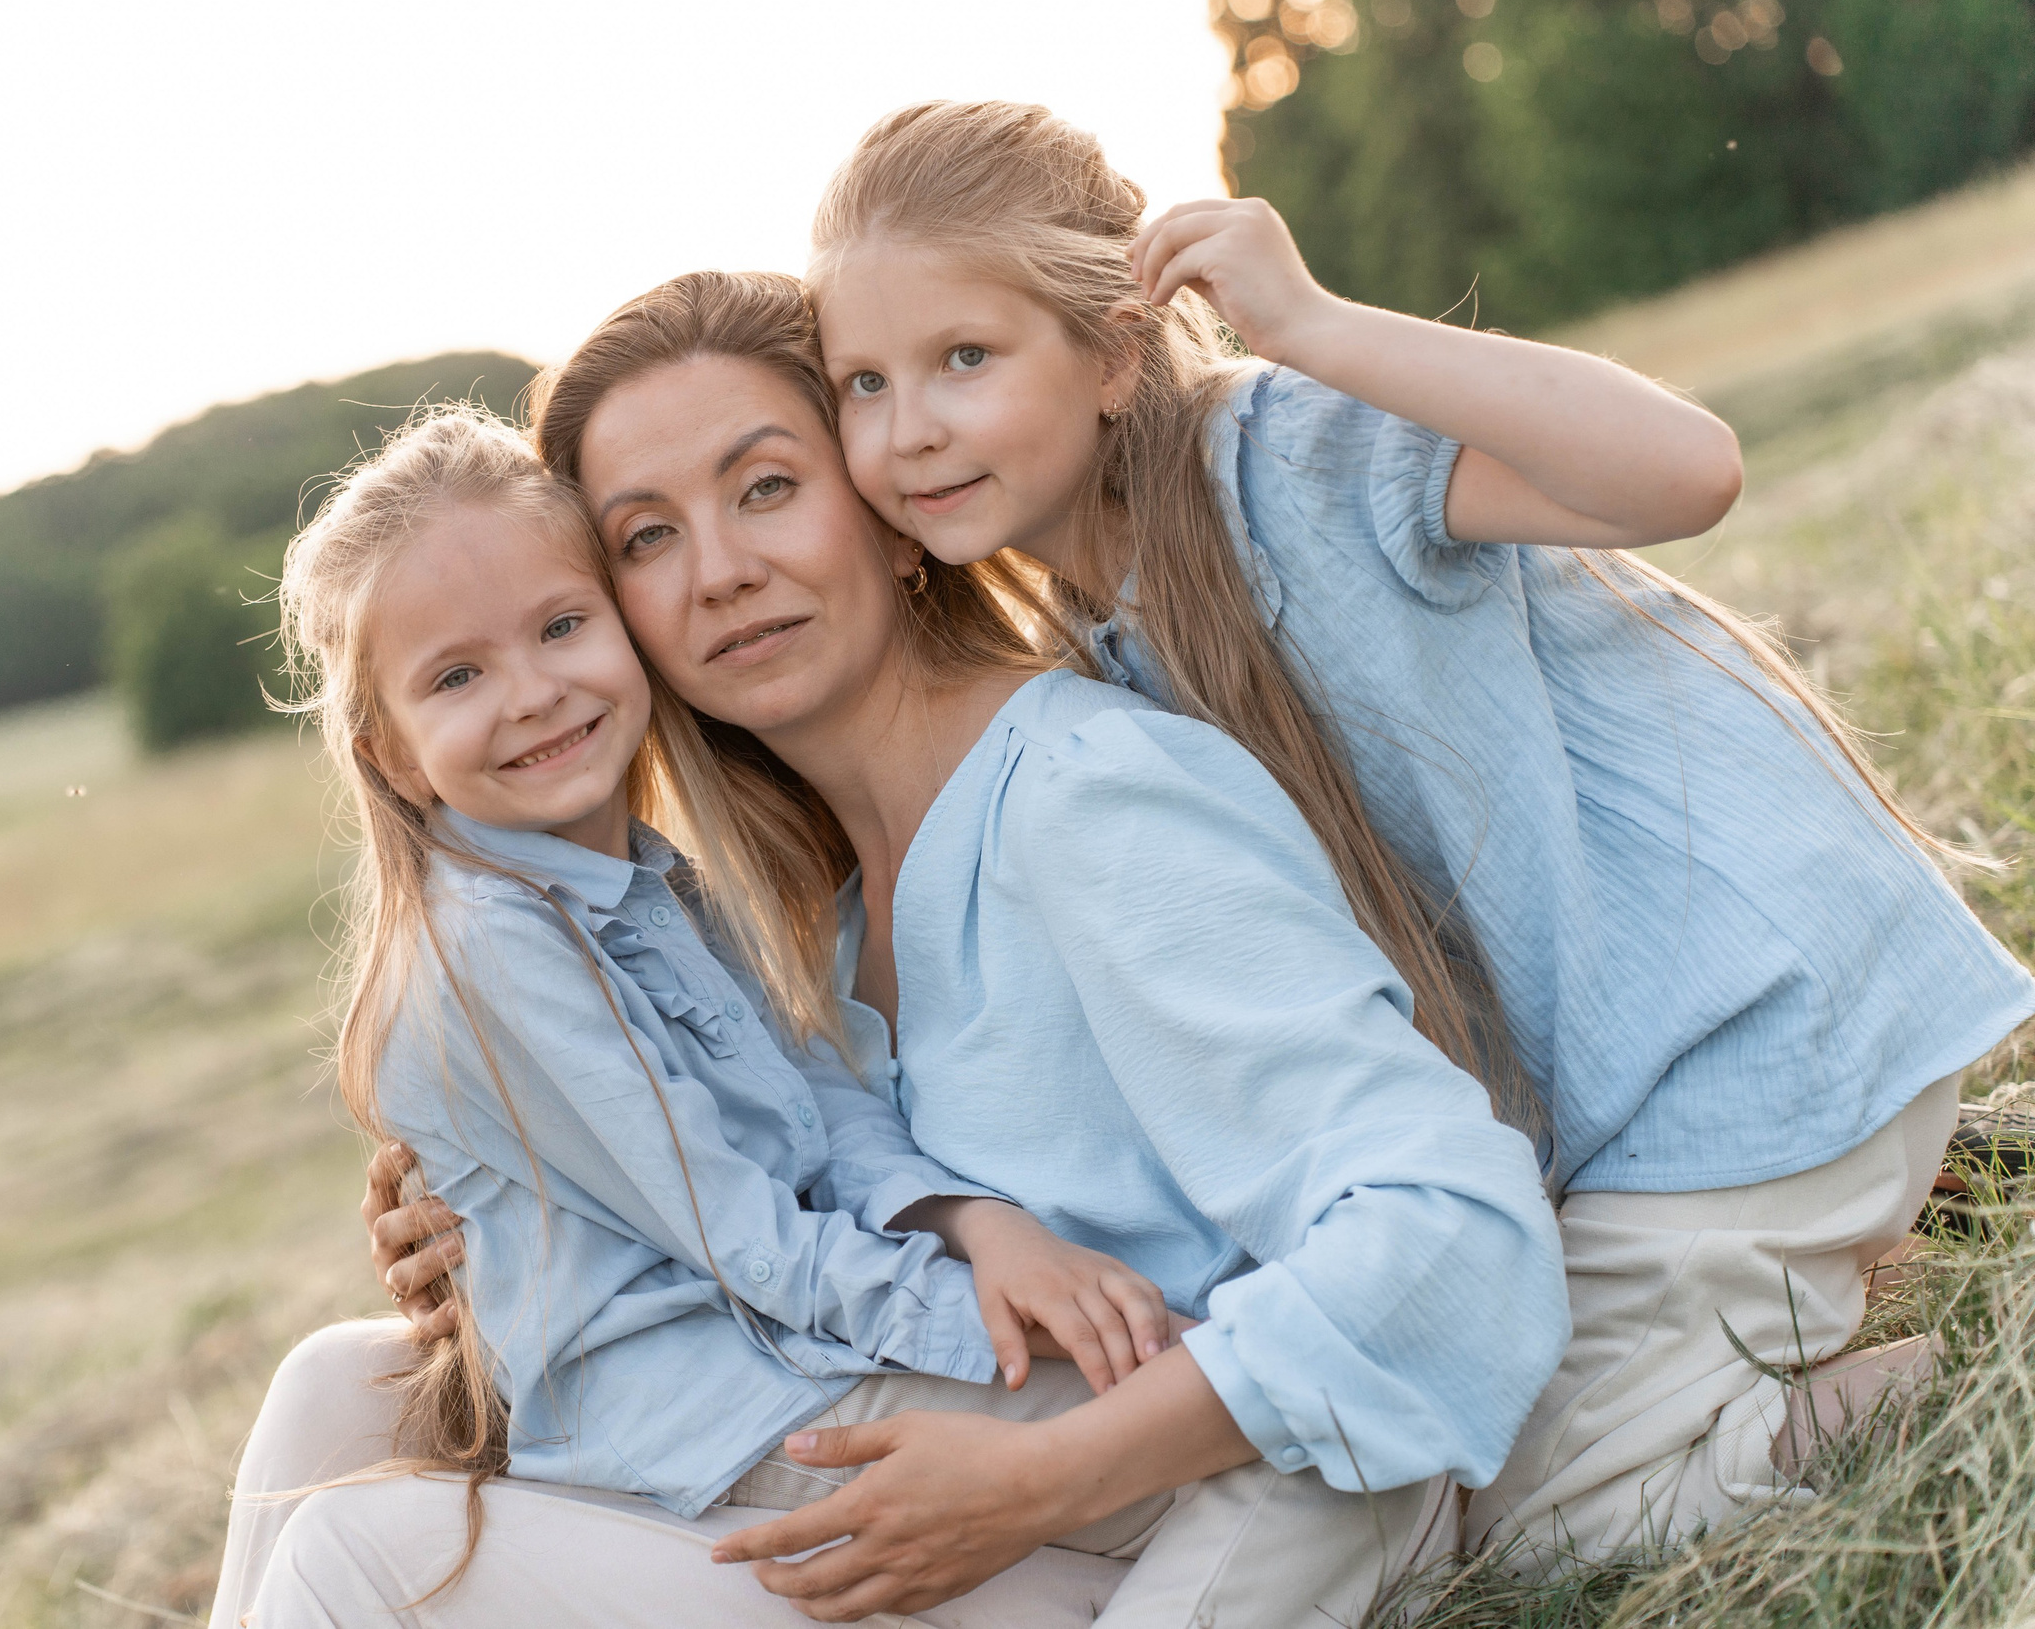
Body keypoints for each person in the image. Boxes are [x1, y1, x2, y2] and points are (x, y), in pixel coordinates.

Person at [795, 99, 2035, 1562]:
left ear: (1117, 351)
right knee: (1464, 1398)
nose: (908, 426)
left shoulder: (1284, 457)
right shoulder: (1093, 643)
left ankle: (1961, 1367)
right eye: (862, 382)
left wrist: (1312, 323)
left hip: (1748, 1031)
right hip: (1651, 1091)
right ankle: (1930, 1191)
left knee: (1549, 1507)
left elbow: (1685, 470)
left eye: (964, 359)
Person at [239, 272, 1566, 1629]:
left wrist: (1044, 1465)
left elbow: (1441, 1231)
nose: (720, 570)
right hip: (867, 1426)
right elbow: (737, 1169)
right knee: (338, 1393)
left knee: (357, 1553)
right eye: (646, 536)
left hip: (1144, 1444)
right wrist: (511, 1200)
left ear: (889, 510)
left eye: (766, 487)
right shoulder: (796, 906)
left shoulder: (1084, 800)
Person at [240, 402, 1187, 1605]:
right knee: (1178, 1416)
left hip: (780, 1355)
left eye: (562, 626)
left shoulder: (658, 883)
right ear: (393, 754)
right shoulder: (492, 945)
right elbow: (740, 1233)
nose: (531, 692)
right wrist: (978, 1323)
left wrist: (976, 1229)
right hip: (713, 1409)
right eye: (460, 674)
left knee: (1164, 1436)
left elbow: (825, 1100)